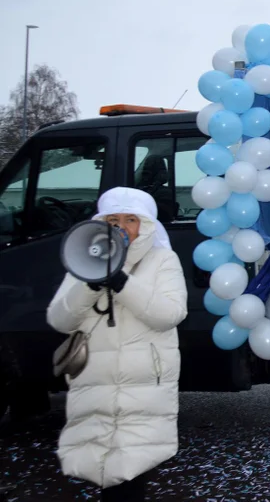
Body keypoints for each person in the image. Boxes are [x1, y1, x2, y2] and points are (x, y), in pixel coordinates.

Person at [46, 187, 187, 501]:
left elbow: (170, 314)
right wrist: (90, 286)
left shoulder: (162, 259)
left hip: (143, 387)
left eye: (130, 219)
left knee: (131, 474)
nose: (121, 226)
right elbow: (60, 320)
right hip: (95, 382)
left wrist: (121, 282)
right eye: (113, 219)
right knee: (98, 469)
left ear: (146, 224)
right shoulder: (86, 257)